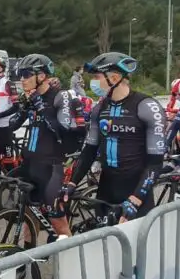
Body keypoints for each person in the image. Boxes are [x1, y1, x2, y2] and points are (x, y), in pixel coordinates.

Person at [70, 52, 166, 221]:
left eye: (97, 76)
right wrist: (71, 183)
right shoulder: (99, 108)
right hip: (106, 190)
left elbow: (155, 163)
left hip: (135, 192)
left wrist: (136, 199)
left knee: (135, 247)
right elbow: (89, 150)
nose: (93, 82)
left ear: (114, 78)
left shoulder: (147, 106)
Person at [6, 54, 76, 238]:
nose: (22, 79)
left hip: (50, 166)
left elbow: (62, 129)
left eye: (27, 74)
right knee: (29, 219)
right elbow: (12, 125)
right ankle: (29, 265)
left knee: (58, 223)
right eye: (20, 75)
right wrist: (24, 106)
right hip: (30, 163)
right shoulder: (30, 98)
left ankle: (71, 261)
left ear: (42, 76)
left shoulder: (60, 96)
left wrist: (40, 104)